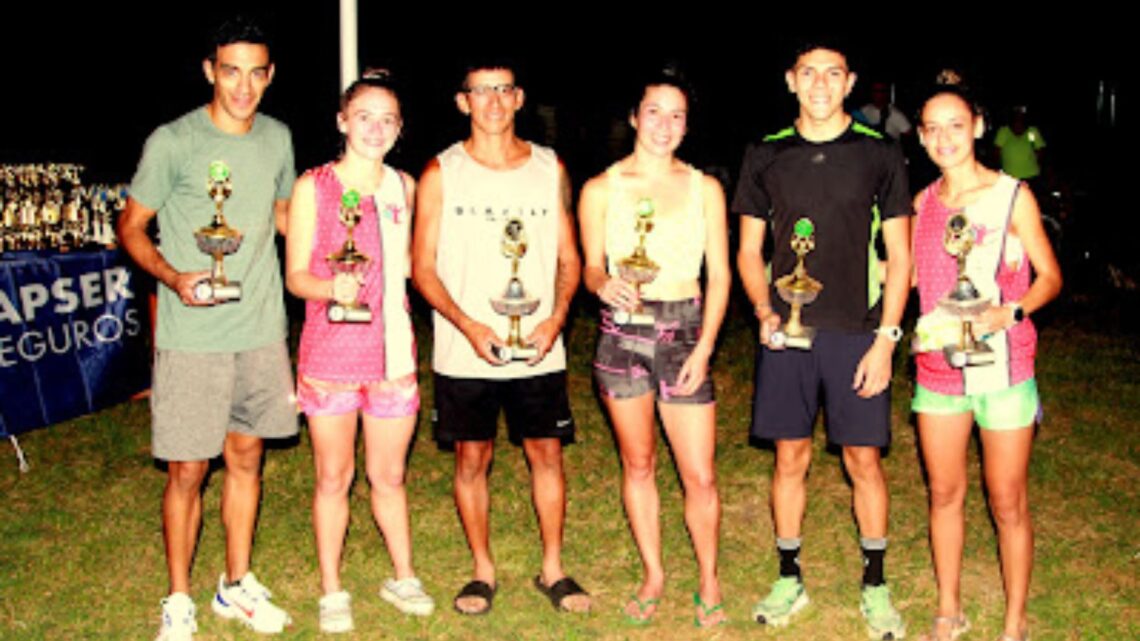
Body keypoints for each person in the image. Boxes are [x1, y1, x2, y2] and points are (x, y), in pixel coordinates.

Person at [117, 16, 297, 641]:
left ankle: (235, 584)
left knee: (247, 459)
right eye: (231, 71)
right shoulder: (174, 141)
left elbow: (280, 214)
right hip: (193, 336)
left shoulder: (277, 138)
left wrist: (343, 232)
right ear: (209, 71)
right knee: (188, 470)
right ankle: (178, 597)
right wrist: (173, 276)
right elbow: (131, 225)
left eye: (256, 73)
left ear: (269, 76)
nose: (243, 86)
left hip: (260, 329)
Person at [733, 42, 912, 640]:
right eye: (808, 73)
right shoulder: (766, 154)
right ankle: (790, 577)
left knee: (863, 460)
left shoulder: (879, 153)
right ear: (790, 81)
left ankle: (876, 585)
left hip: (857, 334)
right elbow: (749, 251)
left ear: (850, 82)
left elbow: (901, 255)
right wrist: (762, 309)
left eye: (833, 74)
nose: (819, 83)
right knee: (790, 457)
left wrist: (887, 339)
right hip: (788, 334)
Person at [411, 59, 589, 616]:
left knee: (547, 454)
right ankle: (482, 571)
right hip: (466, 349)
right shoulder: (441, 172)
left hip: (537, 344)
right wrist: (470, 326)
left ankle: (554, 569)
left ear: (518, 99)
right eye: (480, 91)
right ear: (463, 102)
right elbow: (421, 267)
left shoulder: (547, 166)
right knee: (472, 458)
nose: (492, 101)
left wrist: (555, 321)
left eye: (503, 90)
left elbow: (568, 258)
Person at [579, 67, 730, 627]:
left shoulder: (704, 188)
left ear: (686, 126)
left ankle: (709, 577)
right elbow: (591, 267)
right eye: (654, 111)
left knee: (700, 474)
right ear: (634, 116)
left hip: (684, 331)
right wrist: (603, 283)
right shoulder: (600, 188)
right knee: (638, 463)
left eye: (677, 114)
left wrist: (705, 346)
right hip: (621, 335)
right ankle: (654, 573)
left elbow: (719, 275)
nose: (664, 124)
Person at [284, 69, 434, 633]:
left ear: (400, 128)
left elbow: (417, 268)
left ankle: (403, 575)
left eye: (387, 119)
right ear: (342, 121)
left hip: (394, 355)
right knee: (333, 476)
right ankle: (331, 588)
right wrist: (329, 287)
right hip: (331, 355)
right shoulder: (313, 186)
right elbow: (296, 275)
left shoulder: (406, 187)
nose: (376, 128)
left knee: (389, 475)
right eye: (364, 117)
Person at [911, 83, 1061, 641]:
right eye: (932, 128)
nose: (945, 137)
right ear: (922, 138)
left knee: (1007, 501)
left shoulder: (1013, 196)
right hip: (939, 373)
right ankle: (949, 609)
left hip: (1005, 370)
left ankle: (1014, 622)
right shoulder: (923, 204)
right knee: (944, 494)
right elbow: (905, 277)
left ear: (977, 126)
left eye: (955, 124)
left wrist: (1011, 311)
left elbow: (1051, 278)